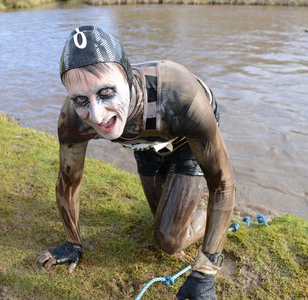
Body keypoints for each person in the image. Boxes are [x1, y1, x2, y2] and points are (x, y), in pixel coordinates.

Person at [36, 26, 235, 299]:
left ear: (128, 78)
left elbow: (222, 182)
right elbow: (68, 181)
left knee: (169, 240)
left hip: (185, 138)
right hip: (144, 143)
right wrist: (73, 242)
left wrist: (206, 270)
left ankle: (221, 213)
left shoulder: (181, 98)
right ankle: (193, 200)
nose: (96, 115)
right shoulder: (73, 117)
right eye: (81, 100)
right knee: (160, 220)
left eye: (106, 93)